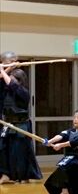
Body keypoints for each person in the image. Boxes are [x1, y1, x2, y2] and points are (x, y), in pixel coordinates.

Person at [0, 52, 42, 184]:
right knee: (3, 149)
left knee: (19, 152)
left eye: (12, 79)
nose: (9, 81)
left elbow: (12, 85)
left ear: (19, 80)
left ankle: (23, 176)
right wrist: (8, 68)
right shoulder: (6, 91)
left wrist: (3, 69)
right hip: (8, 125)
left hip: (21, 125)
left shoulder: (23, 91)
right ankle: (6, 175)